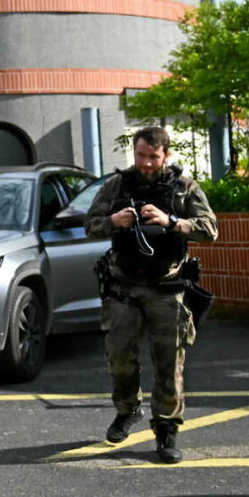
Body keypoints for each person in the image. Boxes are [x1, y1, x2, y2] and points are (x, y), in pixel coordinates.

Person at [85, 127, 217, 463]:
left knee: (169, 363)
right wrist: (113, 220)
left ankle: (167, 428)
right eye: (141, 156)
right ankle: (127, 411)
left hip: (166, 288)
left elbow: (209, 229)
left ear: (166, 155)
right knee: (119, 359)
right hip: (123, 287)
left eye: (153, 157)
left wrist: (172, 221)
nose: (146, 163)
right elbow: (90, 225)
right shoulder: (116, 185)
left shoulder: (184, 187)